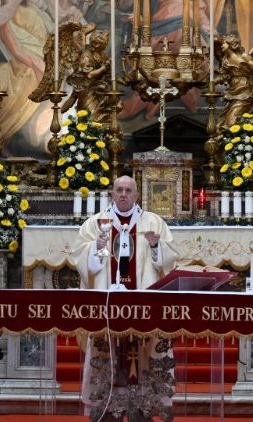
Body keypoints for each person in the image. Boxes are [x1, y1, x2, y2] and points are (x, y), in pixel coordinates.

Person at [70, 175, 179, 422]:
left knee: (145, 353)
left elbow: (169, 262)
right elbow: (80, 260)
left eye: (128, 190)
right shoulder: (95, 224)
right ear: (112, 193)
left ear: (137, 195)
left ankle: (144, 405)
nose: (123, 194)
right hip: (107, 306)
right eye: (118, 189)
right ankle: (107, 406)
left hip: (144, 306)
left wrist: (155, 247)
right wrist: (95, 247)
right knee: (106, 351)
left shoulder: (153, 222)